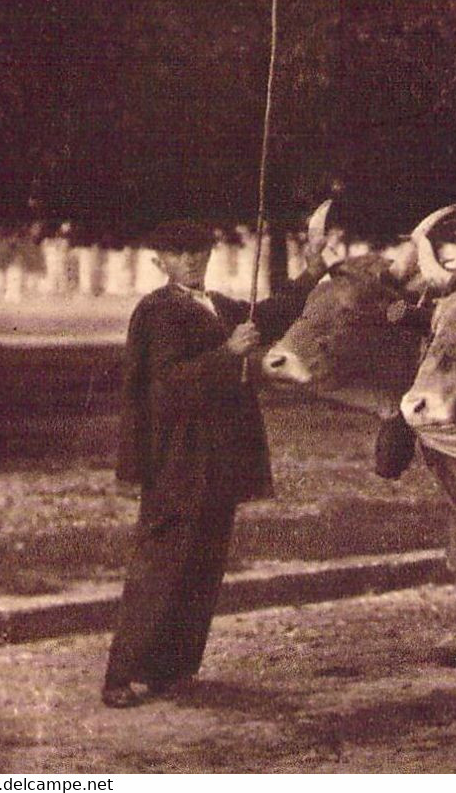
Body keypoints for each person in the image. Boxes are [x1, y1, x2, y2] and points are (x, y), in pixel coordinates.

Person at [101, 218, 327, 708]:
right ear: (161, 261)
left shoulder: (220, 306)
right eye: (182, 253)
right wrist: (229, 352)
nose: (194, 260)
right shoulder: (157, 311)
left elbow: (268, 315)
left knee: (203, 566)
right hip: (177, 459)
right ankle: (120, 675)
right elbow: (167, 387)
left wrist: (310, 272)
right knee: (160, 565)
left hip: (221, 460)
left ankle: (173, 670)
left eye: (200, 251)